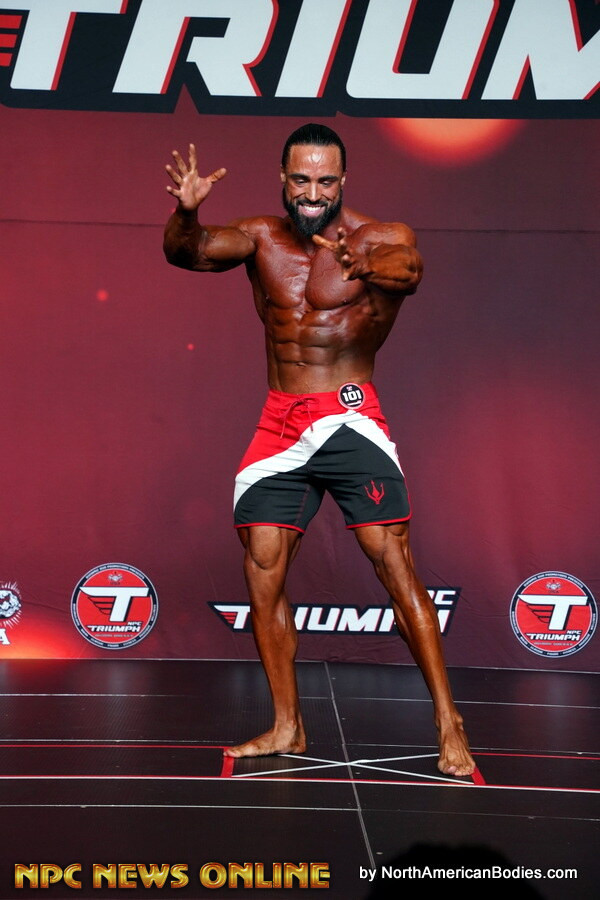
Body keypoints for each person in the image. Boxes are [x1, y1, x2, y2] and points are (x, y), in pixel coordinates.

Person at [163, 123, 475, 776]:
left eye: (325, 181)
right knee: (263, 565)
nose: (313, 192)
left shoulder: (379, 236)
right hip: (281, 419)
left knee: (393, 563)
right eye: (301, 180)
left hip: (349, 415)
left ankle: (450, 722)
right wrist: (186, 214)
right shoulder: (259, 236)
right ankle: (288, 724)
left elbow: (410, 269)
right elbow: (188, 253)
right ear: (283, 179)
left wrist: (364, 264)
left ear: (342, 181)